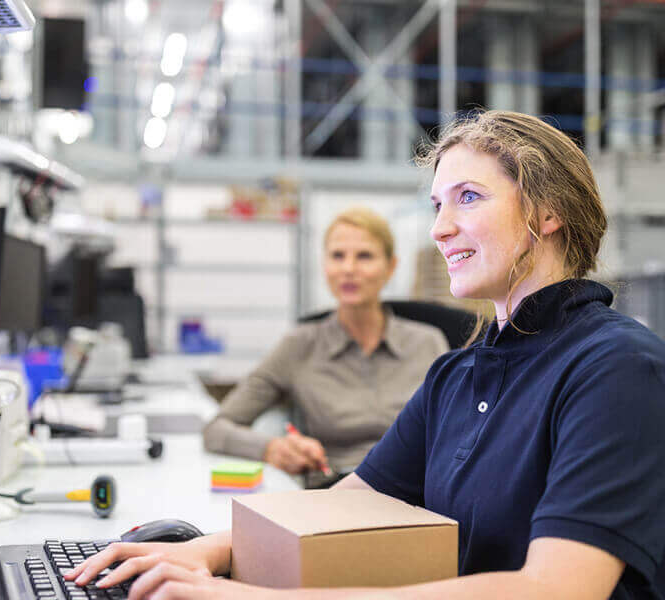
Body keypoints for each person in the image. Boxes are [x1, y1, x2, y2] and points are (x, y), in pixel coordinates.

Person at [65, 110, 665, 600]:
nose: (440, 228)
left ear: (546, 211)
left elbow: (558, 589)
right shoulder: (457, 372)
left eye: (468, 197)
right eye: (437, 205)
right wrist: (202, 549)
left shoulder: (615, 367)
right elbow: (349, 505)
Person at [203, 206, 449, 477]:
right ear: (324, 265)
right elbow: (216, 429)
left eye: (364, 256)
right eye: (337, 256)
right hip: (337, 490)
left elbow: (458, 431)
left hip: (419, 490)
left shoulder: (428, 344)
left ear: (390, 267)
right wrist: (271, 448)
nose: (348, 269)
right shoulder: (299, 346)